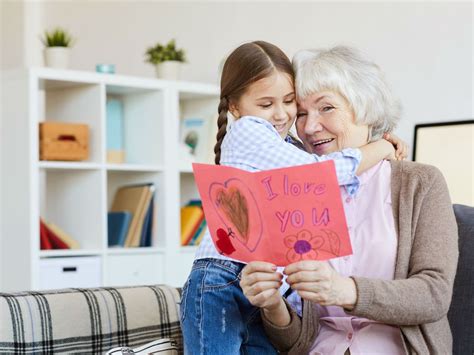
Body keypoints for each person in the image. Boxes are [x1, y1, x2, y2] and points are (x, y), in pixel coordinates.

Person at [180, 41, 407, 355]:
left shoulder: (285, 144)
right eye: (265, 104)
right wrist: (381, 147)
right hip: (223, 278)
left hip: (264, 285)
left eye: (289, 102)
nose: (281, 114)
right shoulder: (248, 130)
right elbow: (319, 174)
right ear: (235, 107)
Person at [239, 46, 459, 355]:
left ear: (365, 107)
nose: (310, 126)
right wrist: (272, 303)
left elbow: (433, 295)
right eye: (301, 114)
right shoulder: (294, 193)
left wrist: (344, 290)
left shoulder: (418, 183)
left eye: (326, 108)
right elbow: (295, 342)